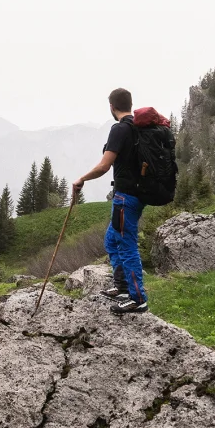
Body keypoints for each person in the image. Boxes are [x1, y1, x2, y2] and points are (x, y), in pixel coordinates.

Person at [72, 88, 148, 314]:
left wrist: (82, 178)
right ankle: (123, 287)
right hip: (137, 194)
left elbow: (105, 166)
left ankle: (137, 299)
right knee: (112, 240)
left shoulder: (120, 130)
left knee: (126, 246)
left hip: (126, 198)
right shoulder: (140, 128)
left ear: (112, 107)